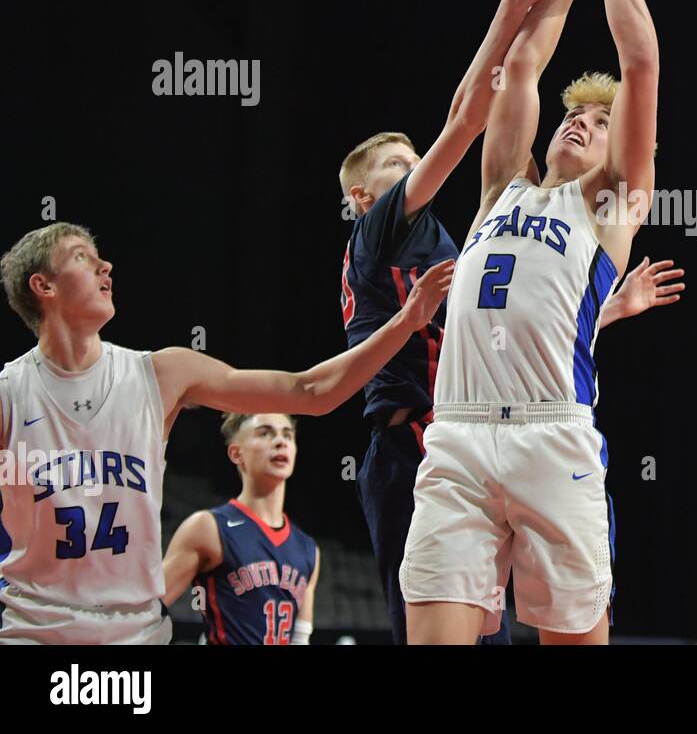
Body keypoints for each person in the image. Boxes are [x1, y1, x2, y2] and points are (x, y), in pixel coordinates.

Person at [402, 0, 660, 644]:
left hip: (554, 437)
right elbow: (519, 67)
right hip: (458, 436)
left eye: (597, 121)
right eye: (572, 116)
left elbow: (641, 63)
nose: (578, 122)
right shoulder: (500, 192)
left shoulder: (613, 204)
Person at [0, 221, 445, 643]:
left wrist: (405, 321)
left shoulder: (162, 373)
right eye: (82, 257)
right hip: (32, 631)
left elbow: (310, 391)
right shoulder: (9, 393)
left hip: (132, 637)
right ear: (44, 287)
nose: (105, 266)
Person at [162, 412, 320, 645]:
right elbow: (148, 609)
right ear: (236, 453)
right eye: (264, 433)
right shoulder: (207, 527)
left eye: (287, 435)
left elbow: (300, 638)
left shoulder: (308, 549)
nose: (280, 441)